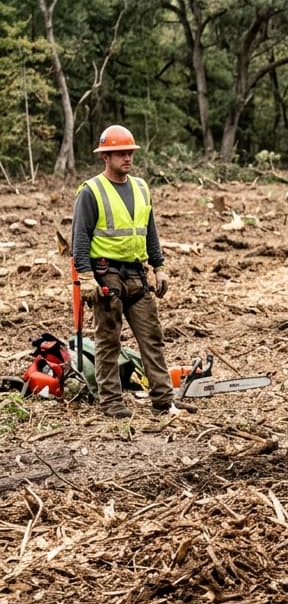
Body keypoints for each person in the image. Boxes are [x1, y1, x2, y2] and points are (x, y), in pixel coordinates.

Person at [71, 125, 193, 418]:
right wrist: (86, 276)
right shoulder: (92, 191)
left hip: (137, 275)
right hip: (106, 275)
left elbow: (149, 230)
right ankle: (111, 402)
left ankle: (164, 400)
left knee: (152, 338)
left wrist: (159, 266)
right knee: (108, 341)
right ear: (106, 157)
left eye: (129, 153)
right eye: (121, 153)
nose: (127, 158)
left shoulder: (140, 187)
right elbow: (80, 238)